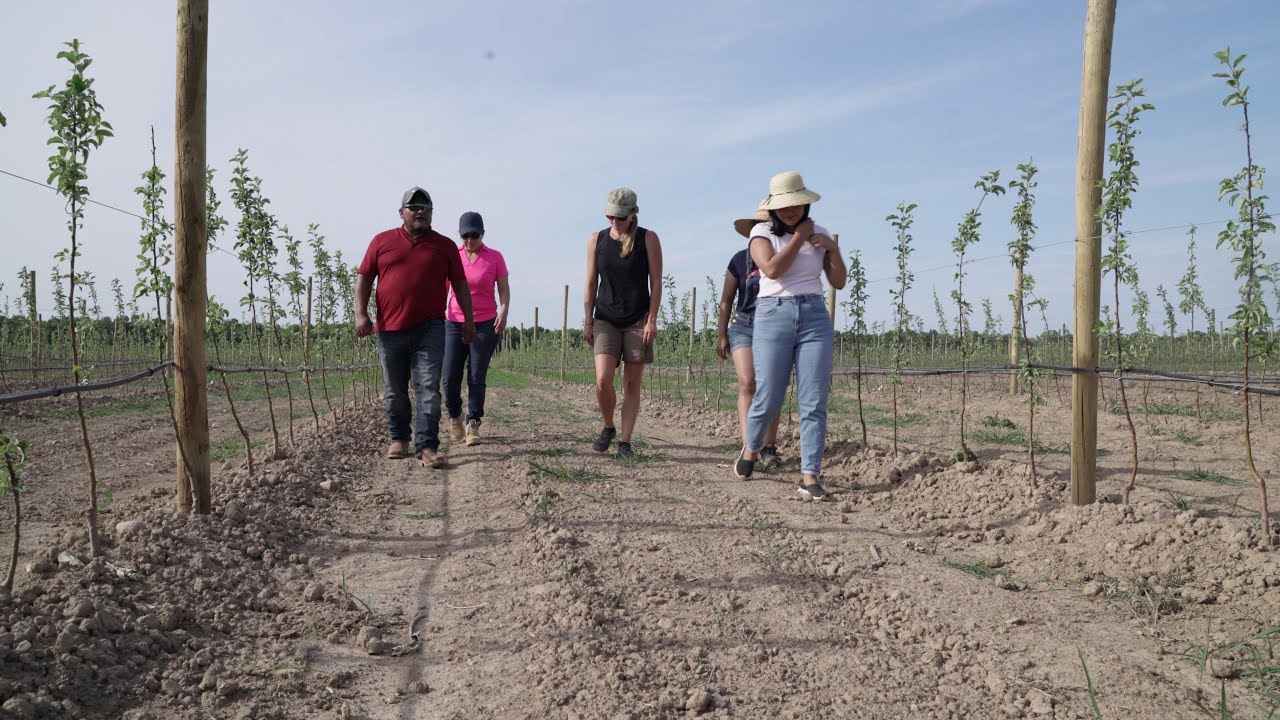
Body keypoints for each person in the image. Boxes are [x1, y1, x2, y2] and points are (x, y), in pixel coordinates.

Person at [733, 171, 846, 501]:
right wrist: (799, 238)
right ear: (773, 208)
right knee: (768, 394)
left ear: (805, 202)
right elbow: (772, 270)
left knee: (813, 400)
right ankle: (750, 448)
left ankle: (810, 475)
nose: (791, 211)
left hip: (814, 315)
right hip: (772, 314)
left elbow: (837, 282)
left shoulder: (821, 234)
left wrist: (833, 249)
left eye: (796, 204)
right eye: (784, 206)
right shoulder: (761, 232)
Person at [356, 186, 475, 469]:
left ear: (432, 213)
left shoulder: (445, 246)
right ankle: (399, 438)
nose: (420, 211)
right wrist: (361, 314)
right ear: (401, 213)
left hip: (430, 329)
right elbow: (364, 279)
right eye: (414, 207)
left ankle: (427, 446)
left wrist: (468, 321)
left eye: (426, 207)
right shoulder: (381, 241)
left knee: (428, 389)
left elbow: (460, 284)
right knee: (395, 390)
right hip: (389, 329)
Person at [583, 187, 663, 459]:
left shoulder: (648, 239)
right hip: (605, 317)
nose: (614, 222)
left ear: (632, 214)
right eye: (610, 217)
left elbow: (656, 282)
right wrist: (588, 320)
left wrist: (652, 319)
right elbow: (591, 281)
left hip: (637, 319)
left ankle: (625, 442)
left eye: (619, 217)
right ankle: (608, 427)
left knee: (631, 383)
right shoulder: (597, 240)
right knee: (603, 380)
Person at [716, 204, 783, 468]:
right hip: (744, 324)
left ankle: (768, 447)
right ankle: (749, 447)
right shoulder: (737, 260)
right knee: (748, 383)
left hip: (776, 325)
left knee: (772, 387)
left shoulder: (785, 258)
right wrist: (721, 334)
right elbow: (727, 299)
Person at [444, 211, 510, 446]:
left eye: (475, 235)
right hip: (455, 321)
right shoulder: (453, 256)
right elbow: (444, 289)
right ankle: (455, 416)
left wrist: (503, 310)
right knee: (449, 376)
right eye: (465, 236)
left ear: (482, 234)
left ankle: (473, 422)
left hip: (485, 322)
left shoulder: (495, 257)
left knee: (476, 374)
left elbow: (503, 288)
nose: (470, 241)